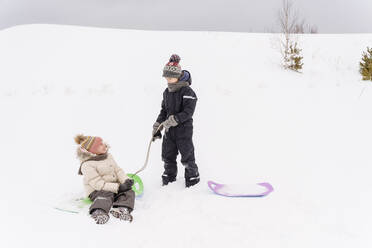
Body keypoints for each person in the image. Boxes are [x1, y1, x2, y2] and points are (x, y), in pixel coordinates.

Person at [152, 54, 200, 187]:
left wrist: (175, 119)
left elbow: (188, 112)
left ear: (178, 76)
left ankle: (192, 178)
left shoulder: (188, 92)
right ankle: (169, 176)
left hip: (183, 130)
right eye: (166, 77)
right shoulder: (167, 92)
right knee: (167, 154)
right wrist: (157, 126)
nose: (168, 79)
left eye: (171, 77)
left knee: (187, 155)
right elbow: (164, 111)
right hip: (169, 130)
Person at [75, 134, 135, 224]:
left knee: (129, 192)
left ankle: (122, 209)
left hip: (114, 186)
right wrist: (118, 187)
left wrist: (125, 180)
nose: (104, 145)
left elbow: (118, 170)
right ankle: (98, 211)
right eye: (100, 145)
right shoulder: (87, 165)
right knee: (106, 194)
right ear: (92, 150)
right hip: (97, 190)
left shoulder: (108, 156)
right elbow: (97, 183)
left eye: (103, 143)